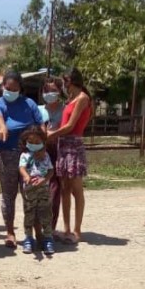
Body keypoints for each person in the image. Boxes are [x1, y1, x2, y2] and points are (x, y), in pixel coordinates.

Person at [0, 71, 44, 248]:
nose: (10, 91)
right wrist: (3, 127)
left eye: (14, 88)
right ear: (2, 86)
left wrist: (43, 144)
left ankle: (34, 233)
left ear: (20, 89)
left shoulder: (29, 104)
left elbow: (40, 124)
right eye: (7, 88)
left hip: (29, 155)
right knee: (9, 194)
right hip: (5, 154)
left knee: (30, 193)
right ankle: (10, 232)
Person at [47, 68, 92, 244]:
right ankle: (66, 229)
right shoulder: (71, 99)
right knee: (65, 188)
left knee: (76, 189)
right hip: (63, 145)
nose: (64, 86)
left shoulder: (82, 99)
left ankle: (77, 230)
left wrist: (50, 135)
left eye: (65, 82)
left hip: (73, 145)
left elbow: (71, 126)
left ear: (72, 81)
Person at [18, 127, 55, 256]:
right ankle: (28, 238)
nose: (33, 144)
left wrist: (44, 180)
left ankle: (48, 238)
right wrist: (26, 176)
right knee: (29, 214)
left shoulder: (46, 156)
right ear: (26, 142)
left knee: (45, 213)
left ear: (43, 142)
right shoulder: (25, 155)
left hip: (44, 189)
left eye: (37, 141)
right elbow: (21, 168)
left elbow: (51, 171)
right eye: (31, 142)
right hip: (29, 189)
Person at [38, 77, 64, 240]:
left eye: (53, 90)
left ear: (60, 92)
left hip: (60, 150)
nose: (49, 94)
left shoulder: (66, 109)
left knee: (55, 189)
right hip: (42, 150)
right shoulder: (38, 109)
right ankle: (38, 227)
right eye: (46, 91)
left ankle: (51, 227)